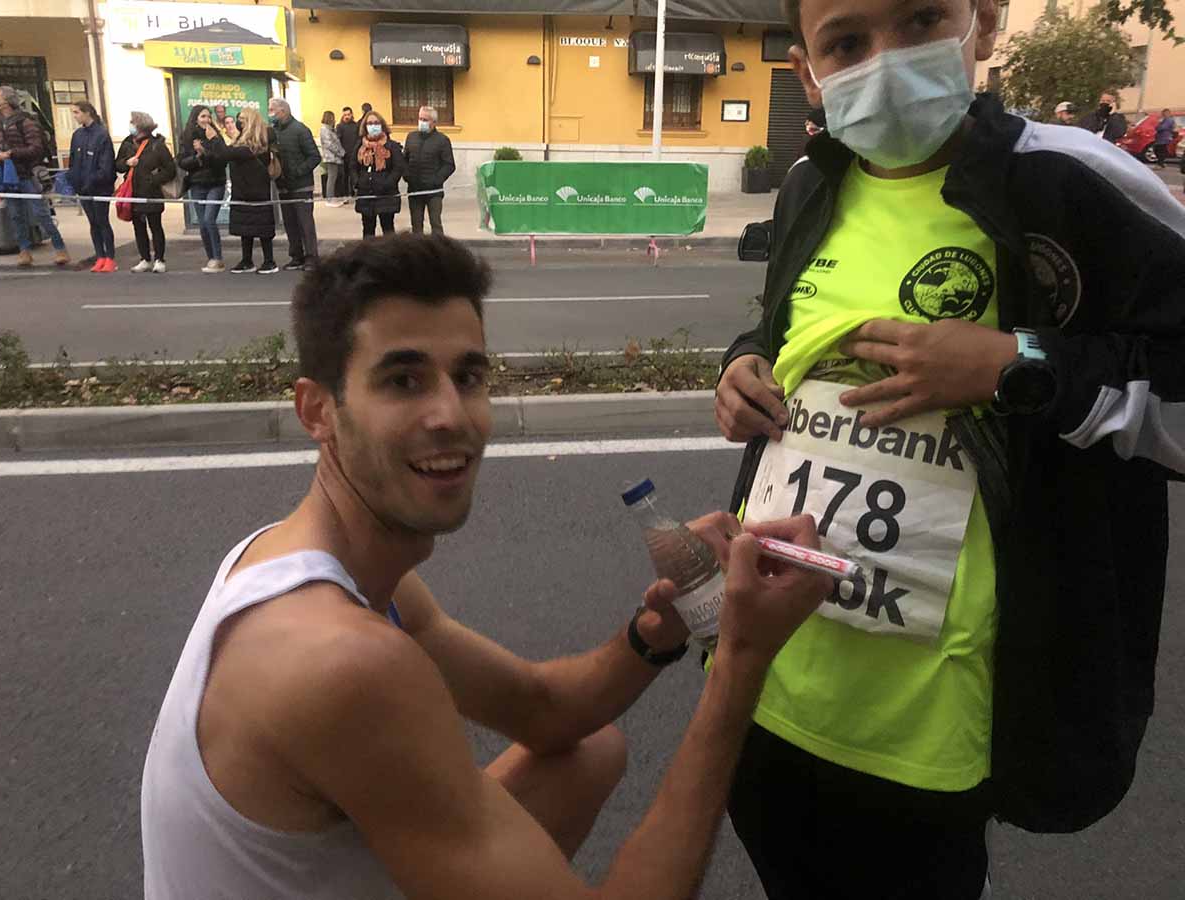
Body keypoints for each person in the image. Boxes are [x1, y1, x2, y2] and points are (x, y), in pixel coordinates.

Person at [140, 232, 832, 900]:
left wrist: (660, 632)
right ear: (317, 410)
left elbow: (542, 708)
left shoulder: (296, 558)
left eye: (468, 376)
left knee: (590, 751)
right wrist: (741, 661)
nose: (451, 415)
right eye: (403, 380)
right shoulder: (340, 662)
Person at [715, 1, 1185, 898]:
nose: (886, 61)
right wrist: (743, 368)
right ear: (809, 72)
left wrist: (1022, 367)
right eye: (847, 42)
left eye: (922, 19)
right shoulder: (809, 185)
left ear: (986, 21)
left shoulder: (1072, 182)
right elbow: (783, 335)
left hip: (929, 732)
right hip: (769, 680)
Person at [0, 85, 69, 268]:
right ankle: (24, 251)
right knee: (15, 214)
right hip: (7, 176)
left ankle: (60, 248)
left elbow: (36, 148)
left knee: (40, 212)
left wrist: (11, 153)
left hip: (27, 174)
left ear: (6, 101)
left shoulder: (26, 121)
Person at [209, 108, 277, 274]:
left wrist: (215, 138)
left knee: (263, 228)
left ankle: (269, 261)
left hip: (257, 191)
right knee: (245, 228)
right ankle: (247, 260)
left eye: (242, 120)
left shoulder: (256, 144)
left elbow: (227, 153)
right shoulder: (242, 140)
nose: (239, 123)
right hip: (242, 191)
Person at [115, 111, 176, 274]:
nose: (130, 126)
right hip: (133, 193)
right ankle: (144, 258)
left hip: (151, 193)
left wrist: (153, 180)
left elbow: (170, 170)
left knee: (155, 226)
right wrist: (127, 163)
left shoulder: (157, 145)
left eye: (132, 122)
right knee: (138, 227)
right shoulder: (127, 144)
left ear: (141, 126)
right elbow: (118, 165)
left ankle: (159, 259)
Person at [267, 97, 321, 271]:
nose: (270, 113)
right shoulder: (273, 132)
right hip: (283, 185)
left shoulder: (300, 130)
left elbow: (314, 157)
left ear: (283, 111)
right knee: (290, 222)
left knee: (305, 223)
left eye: (272, 110)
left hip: (301, 185)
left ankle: (311, 257)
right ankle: (296, 256)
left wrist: (298, 171)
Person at [177, 105, 229, 273]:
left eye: (208, 116)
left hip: (216, 182)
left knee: (209, 220)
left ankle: (218, 258)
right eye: (203, 117)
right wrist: (197, 156)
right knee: (202, 224)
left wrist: (208, 147)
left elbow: (222, 159)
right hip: (197, 183)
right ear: (195, 119)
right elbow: (182, 162)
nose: (206, 120)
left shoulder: (215, 136)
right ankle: (211, 257)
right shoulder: (187, 137)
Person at [66, 100, 116, 273]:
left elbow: (106, 165)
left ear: (87, 113)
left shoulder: (101, 134)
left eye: (77, 112)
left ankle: (110, 257)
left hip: (99, 187)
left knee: (102, 221)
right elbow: (73, 161)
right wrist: (73, 180)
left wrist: (93, 181)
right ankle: (100, 256)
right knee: (93, 223)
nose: (75, 116)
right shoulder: (78, 135)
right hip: (83, 188)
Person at [403, 105, 455, 234]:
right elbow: (404, 160)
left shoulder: (442, 140)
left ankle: (439, 251)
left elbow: (449, 165)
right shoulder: (411, 137)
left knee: (435, 223)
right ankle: (417, 252)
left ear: (434, 122)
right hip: (414, 189)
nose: (422, 122)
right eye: (420, 119)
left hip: (434, 191)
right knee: (416, 225)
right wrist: (406, 175)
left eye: (425, 120)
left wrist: (436, 180)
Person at [352, 111, 405, 238]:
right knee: (368, 230)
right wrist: (357, 182)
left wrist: (387, 183)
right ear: (365, 127)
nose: (373, 126)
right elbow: (353, 167)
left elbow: (398, 168)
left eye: (376, 123)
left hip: (386, 195)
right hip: (366, 194)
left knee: (388, 230)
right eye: (370, 123)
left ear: (382, 125)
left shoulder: (391, 146)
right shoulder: (360, 146)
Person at [318, 110, 345, 207]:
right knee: (331, 178)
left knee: (334, 177)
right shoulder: (325, 130)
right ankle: (329, 200)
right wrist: (341, 152)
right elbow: (329, 144)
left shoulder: (330, 129)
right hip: (331, 157)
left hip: (334, 157)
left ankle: (333, 198)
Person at [336, 106, 360, 197]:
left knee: (354, 174)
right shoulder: (340, 126)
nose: (347, 116)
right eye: (345, 115)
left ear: (352, 114)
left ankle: (354, 192)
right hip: (344, 155)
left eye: (348, 114)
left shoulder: (356, 125)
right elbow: (337, 141)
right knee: (345, 176)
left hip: (354, 154)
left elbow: (359, 139)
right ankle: (345, 194)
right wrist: (342, 153)